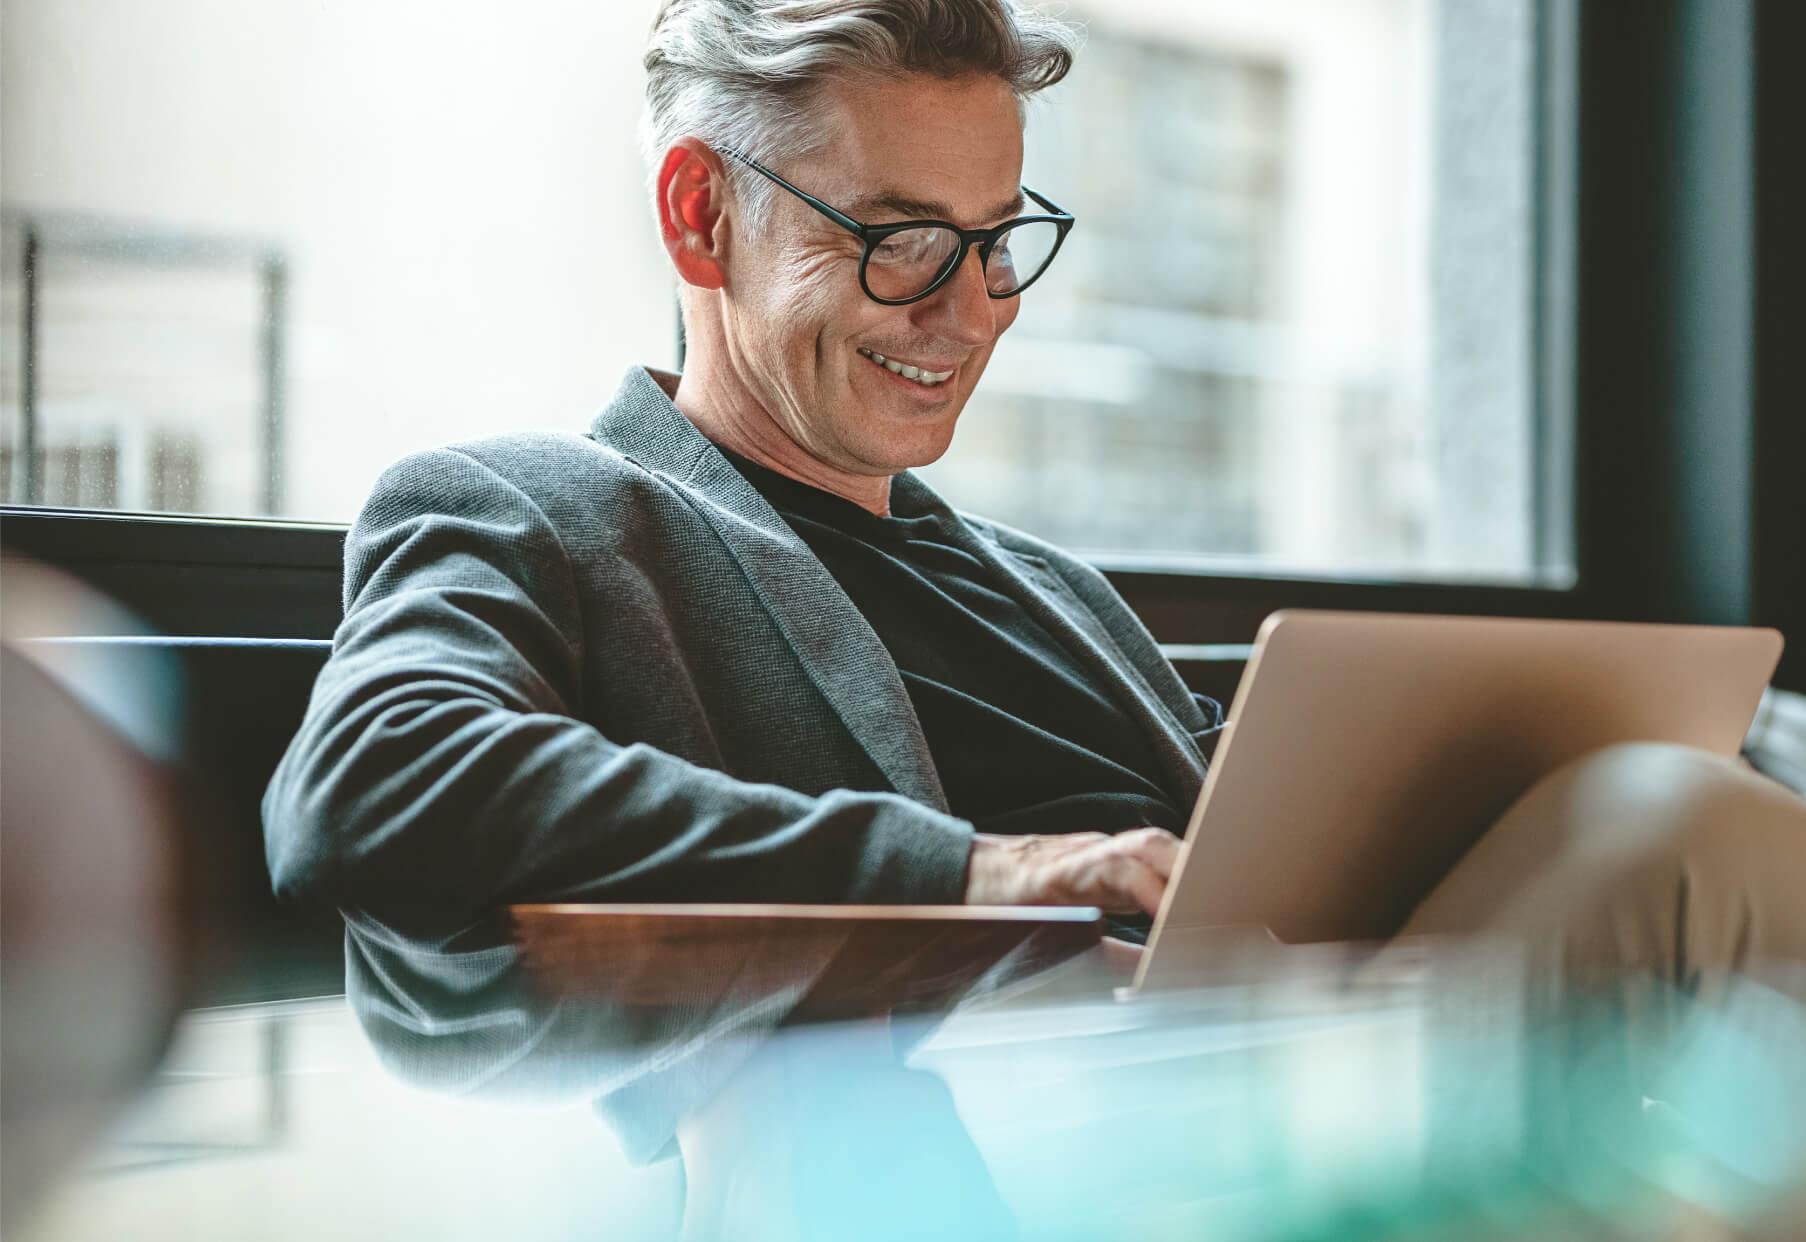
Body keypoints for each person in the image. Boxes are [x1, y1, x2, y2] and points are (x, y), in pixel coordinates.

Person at [263, 0, 1806, 1198]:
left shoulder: (1051, 590)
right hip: (984, 1139)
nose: (972, 309)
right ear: (698, 215)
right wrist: (977, 874)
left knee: (1718, 799)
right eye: (900, 242)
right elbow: (380, 783)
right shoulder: (531, 506)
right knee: (1672, 833)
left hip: (1307, 1066)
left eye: (999, 240)